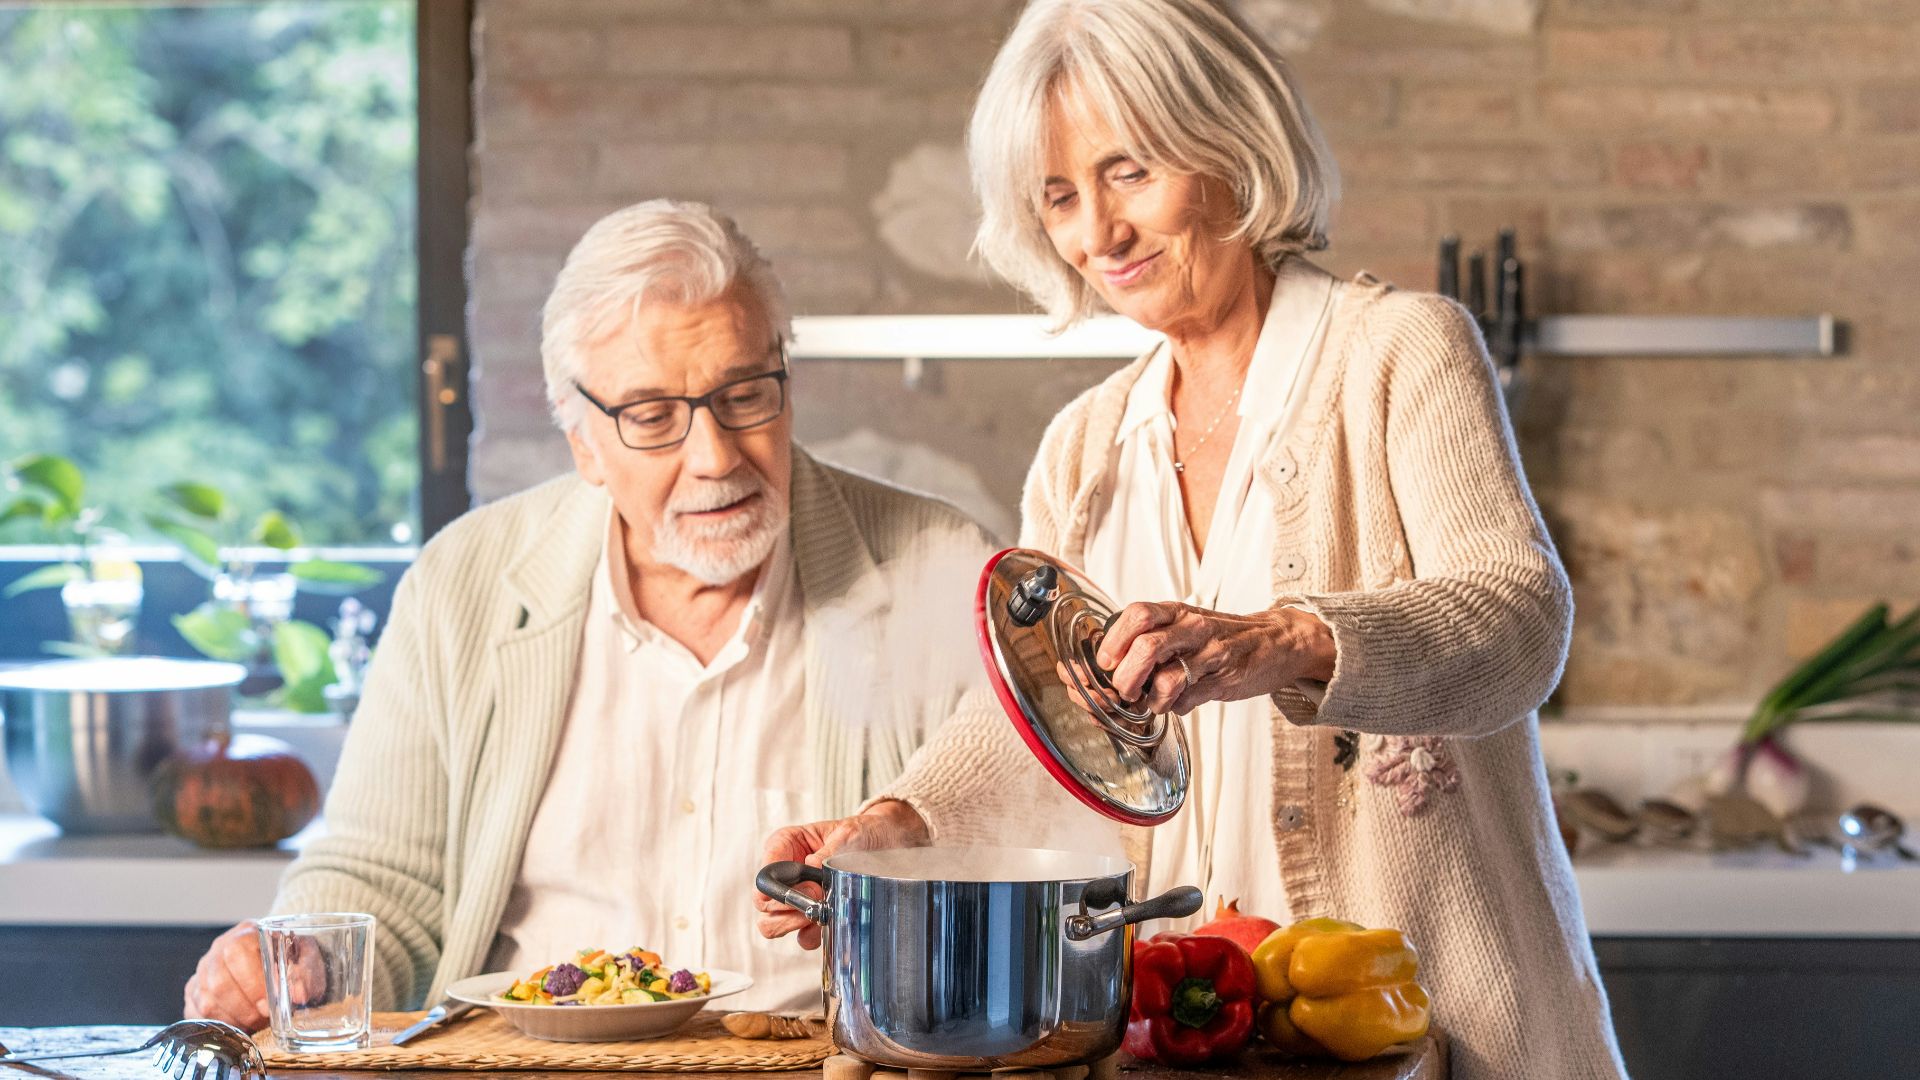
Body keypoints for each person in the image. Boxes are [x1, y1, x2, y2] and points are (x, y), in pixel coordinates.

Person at [759, 2, 1629, 1076]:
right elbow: (1044, 725)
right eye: (1060, 196)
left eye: (1127, 172)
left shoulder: (1403, 351)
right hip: (1186, 1030)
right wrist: (896, 829)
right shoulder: (1086, 446)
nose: (1096, 235)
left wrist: (1288, 640)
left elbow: (1520, 621)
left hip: (1439, 1027)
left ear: (1229, 141)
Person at [183, 199, 994, 1025]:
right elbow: (384, 879)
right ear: (582, 442)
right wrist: (303, 958)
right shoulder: (461, 584)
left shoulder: (939, 567)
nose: (715, 457)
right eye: (651, 418)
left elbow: (1013, 867)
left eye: (745, 395)